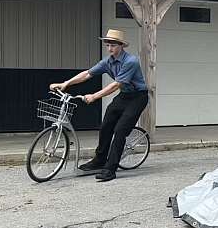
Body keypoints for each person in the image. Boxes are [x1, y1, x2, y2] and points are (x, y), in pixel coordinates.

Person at [49, 29, 148, 182]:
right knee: (106, 125)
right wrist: (65, 83)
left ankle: (110, 169)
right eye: (107, 45)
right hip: (124, 96)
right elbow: (87, 74)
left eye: (113, 45)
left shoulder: (131, 61)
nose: (110, 49)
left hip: (138, 97)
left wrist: (94, 96)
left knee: (120, 130)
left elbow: (116, 85)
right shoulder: (107, 62)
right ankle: (99, 160)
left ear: (121, 46)